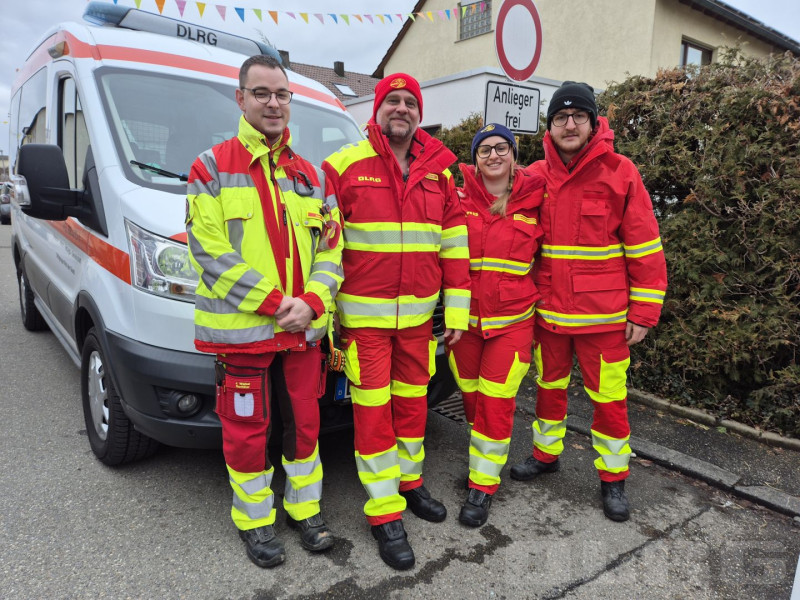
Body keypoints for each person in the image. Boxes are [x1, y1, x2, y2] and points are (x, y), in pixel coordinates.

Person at [185, 55, 343, 568]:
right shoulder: (210, 168)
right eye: (261, 93)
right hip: (244, 334)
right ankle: (255, 521)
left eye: (281, 94)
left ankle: (305, 511)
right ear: (241, 99)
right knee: (247, 432)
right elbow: (209, 253)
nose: (273, 103)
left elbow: (333, 250)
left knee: (305, 426)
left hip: (303, 334)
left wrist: (313, 303)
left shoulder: (314, 177)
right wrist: (278, 305)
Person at [322, 73, 470, 570]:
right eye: (393, 101)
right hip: (364, 326)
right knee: (372, 416)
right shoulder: (342, 166)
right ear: (377, 110)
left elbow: (455, 247)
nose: (401, 108)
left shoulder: (440, 174)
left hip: (419, 324)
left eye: (410, 102)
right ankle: (384, 512)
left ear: (419, 113)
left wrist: (457, 311)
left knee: (412, 409)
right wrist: (326, 314)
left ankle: (410, 484)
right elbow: (327, 249)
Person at [511, 82, 668, 522]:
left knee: (609, 399)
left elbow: (645, 247)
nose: (569, 124)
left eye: (578, 115)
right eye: (560, 117)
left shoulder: (621, 172)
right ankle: (545, 455)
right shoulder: (535, 176)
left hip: (604, 319)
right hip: (548, 314)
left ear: (594, 122)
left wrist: (644, 311)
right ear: (549, 126)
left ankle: (613, 478)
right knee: (548, 388)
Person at [448, 123, 546, 528]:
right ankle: (481, 461)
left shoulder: (537, 200)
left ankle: (483, 485)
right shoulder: (456, 200)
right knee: (472, 401)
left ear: (514, 155)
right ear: (475, 159)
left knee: (495, 402)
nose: (493, 155)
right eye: (484, 149)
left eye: (501, 148)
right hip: (465, 326)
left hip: (512, 324)